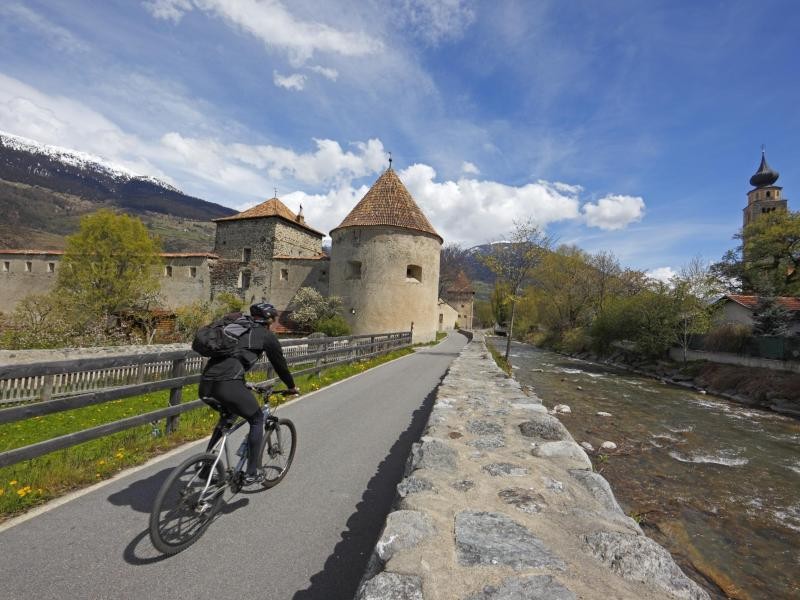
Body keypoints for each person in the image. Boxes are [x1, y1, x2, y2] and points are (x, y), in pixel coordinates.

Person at [199, 302, 299, 485]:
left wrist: (243, 384)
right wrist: (291, 386)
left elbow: (231, 359)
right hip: (227, 384)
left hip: (206, 385)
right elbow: (280, 365)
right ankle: (252, 472)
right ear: (269, 320)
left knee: (226, 419)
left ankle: (206, 468)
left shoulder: (235, 330)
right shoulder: (266, 336)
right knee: (257, 419)